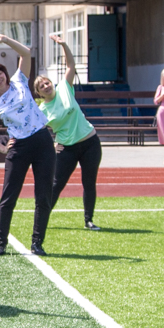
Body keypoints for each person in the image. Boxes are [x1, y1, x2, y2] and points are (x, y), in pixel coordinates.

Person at [0, 31, 55, 257]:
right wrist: (3, 149)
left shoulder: (20, 81)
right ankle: (0, 243)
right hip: (19, 148)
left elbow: (26, 53)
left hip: (42, 141)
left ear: (5, 73)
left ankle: (37, 243)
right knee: (9, 197)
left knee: (43, 196)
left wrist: (5, 40)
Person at [33, 32, 102, 231]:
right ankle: (43, 218)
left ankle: (89, 220)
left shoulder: (64, 87)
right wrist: (52, 145)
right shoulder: (42, 110)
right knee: (56, 184)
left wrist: (63, 45)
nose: (45, 86)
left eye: (46, 82)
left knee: (89, 182)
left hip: (90, 143)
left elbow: (71, 65)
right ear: (39, 93)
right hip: (66, 149)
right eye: (41, 86)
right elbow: (37, 133)